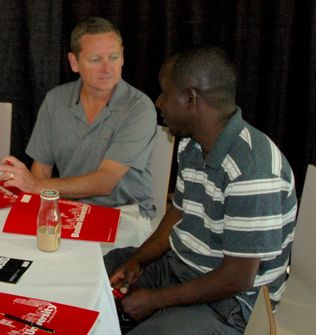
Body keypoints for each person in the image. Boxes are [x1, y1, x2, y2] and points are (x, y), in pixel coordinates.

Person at [104, 46, 297, 334]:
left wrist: (156, 300)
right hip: (182, 269)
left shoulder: (253, 169)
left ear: (190, 98)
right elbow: (177, 216)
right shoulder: (192, 146)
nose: (158, 102)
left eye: (164, 93)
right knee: (101, 269)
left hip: (233, 307)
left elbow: (237, 279)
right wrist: (138, 260)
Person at [0, 17, 157, 247]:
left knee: (74, 265)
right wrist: (38, 193)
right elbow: (41, 169)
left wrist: (36, 186)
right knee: (11, 245)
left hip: (123, 214)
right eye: (95, 60)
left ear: (123, 56)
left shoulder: (139, 107)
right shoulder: (56, 100)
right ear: (74, 62)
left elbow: (105, 182)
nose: (107, 68)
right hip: (67, 207)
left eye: (113, 57)